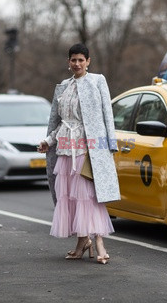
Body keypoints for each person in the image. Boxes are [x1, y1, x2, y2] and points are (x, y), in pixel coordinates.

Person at [38, 43, 121, 264]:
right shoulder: (62, 87)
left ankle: (100, 242)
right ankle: (82, 242)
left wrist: (110, 144)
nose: (77, 64)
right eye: (73, 60)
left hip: (88, 147)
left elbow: (107, 114)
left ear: (88, 61)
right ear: (68, 62)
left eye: (81, 60)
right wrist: (48, 141)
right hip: (65, 148)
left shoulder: (97, 81)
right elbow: (58, 123)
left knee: (89, 196)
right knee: (72, 198)